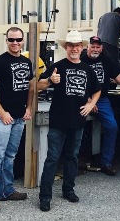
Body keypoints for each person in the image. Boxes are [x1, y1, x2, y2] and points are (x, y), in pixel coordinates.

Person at [38, 30, 101, 212]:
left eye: (77, 45)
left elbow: (97, 90)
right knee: (52, 158)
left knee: (72, 156)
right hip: (58, 119)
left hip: (78, 120)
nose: (74, 48)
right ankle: (45, 197)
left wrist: (91, 105)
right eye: (71, 45)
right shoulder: (58, 66)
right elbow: (38, 85)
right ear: (66, 47)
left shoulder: (88, 69)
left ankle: (68, 189)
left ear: (82, 48)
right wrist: (50, 80)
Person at [0, 27, 35, 214]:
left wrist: (28, 108)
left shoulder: (27, 62)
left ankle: (7, 190)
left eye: (18, 39)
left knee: (10, 157)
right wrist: (2, 112)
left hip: (19, 118)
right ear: (6, 40)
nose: (15, 43)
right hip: (3, 118)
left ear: (23, 40)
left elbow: (30, 88)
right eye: (11, 40)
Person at [81, 36, 120, 175]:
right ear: (87, 47)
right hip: (82, 99)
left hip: (101, 99)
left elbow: (118, 78)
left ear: (101, 48)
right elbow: (77, 83)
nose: (95, 49)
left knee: (112, 127)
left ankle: (106, 162)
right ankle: (77, 160)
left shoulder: (106, 60)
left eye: (97, 47)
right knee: (75, 127)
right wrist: (88, 100)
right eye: (92, 46)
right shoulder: (80, 60)